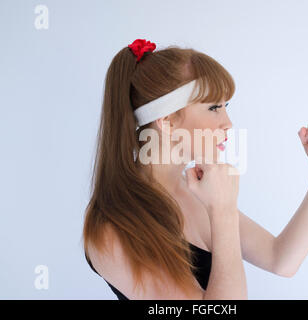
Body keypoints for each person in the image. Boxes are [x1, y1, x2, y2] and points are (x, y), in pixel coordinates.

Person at [82, 39, 245, 299]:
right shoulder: (112, 228)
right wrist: (224, 213)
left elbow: (281, 258)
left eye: (227, 107)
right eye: (214, 107)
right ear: (167, 121)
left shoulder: (196, 191)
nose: (228, 124)